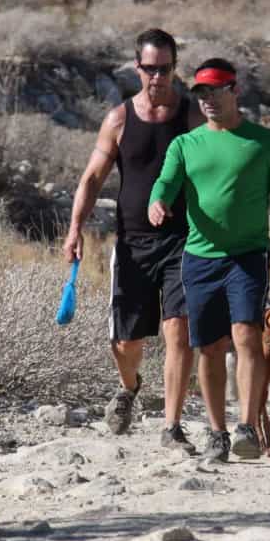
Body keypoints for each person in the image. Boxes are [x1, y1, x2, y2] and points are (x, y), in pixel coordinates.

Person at [147, 58, 270, 462]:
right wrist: (158, 200)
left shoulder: (265, 143)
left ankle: (247, 427)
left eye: (215, 92)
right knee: (207, 347)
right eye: (200, 94)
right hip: (199, 258)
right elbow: (166, 180)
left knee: (244, 336)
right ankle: (218, 433)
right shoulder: (185, 144)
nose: (207, 100)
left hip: (248, 256)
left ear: (234, 91)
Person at [63, 28, 203, 452]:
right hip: (132, 244)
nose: (157, 77)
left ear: (175, 69)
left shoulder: (194, 117)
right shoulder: (119, 119)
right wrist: (75, 229)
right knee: (126, 343)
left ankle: (172, 426)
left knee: (178, 329)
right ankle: (130, 386)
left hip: (184, 240)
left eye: (164, 69)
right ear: (137, 68)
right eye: (149, 69)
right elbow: (91, 178)